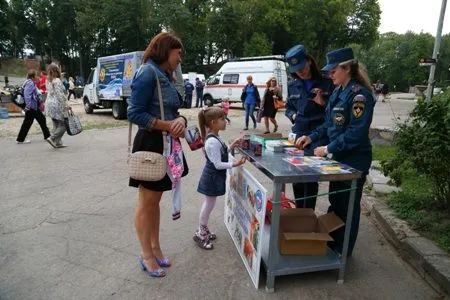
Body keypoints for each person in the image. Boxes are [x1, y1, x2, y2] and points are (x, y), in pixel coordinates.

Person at [295, 47, 375, 257]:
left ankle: (343, 250)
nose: (330, 75)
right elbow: (328, 125)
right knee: (336, 202)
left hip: (354, 160)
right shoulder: (338, 92)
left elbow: (355, 133)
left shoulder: (360, 96)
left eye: (333, 71)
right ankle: (333, 242)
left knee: (348, 207)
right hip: (339, 160)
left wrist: (328, 148)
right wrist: (310, 137)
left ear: (347, 68)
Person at [127, 32, 189, 278]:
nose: (180, 58)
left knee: (155, 202)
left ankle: (155, 247)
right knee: (146, 203)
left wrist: (181, 120)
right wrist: (168, 126)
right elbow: (134, 113)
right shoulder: (147, 73)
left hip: (166, 143)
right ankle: (146, 255)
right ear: (166, 51)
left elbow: (175, 109)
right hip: (152, 142)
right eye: (178, 53)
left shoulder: (165, 75)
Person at [284, 44, 334, 209]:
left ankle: (308, 212)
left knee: (310, 176)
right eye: (296, 69)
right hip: (298, 133)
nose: (300, 71)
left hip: (318, 134)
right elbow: (289, 107)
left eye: (302, 67)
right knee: (296, 175)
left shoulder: (327, 82)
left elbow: (337, 111)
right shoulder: (293, 85)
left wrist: (323, 102)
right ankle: (300, 211)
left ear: (309, 61)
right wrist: (293, 115)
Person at [194, 107, 246, 249]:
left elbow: (221, 152)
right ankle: (201, 232)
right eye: (222, 119)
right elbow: (217, 164)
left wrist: (232, 145)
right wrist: (235, 163)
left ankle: (203, 229)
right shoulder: (212, 141)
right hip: (212, 177)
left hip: (214, 176)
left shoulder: (216, 137)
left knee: (210, 204)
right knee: (208, 204)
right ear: (213, 122)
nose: (225, 121)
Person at [16, 69, 51, 144]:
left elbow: (33, 93)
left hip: (32, 106)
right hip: (32, 107)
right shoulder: (30, 83)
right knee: (38, 120)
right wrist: (28, 106)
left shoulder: (30, 82)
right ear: (33, 76)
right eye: (36, 75)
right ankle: (47, 136)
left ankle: (21, 139)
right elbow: (27, 96)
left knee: (33, 121)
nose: (37, 76)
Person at [45, 63, 70, 148]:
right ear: (57, 71)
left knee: (56, 124)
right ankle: (52, 138)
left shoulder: (48, 81)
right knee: (63, 125)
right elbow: (60, 95)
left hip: (49, 104)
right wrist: (66, 105)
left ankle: (58, 142)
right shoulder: (57, 81)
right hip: (57, 104)